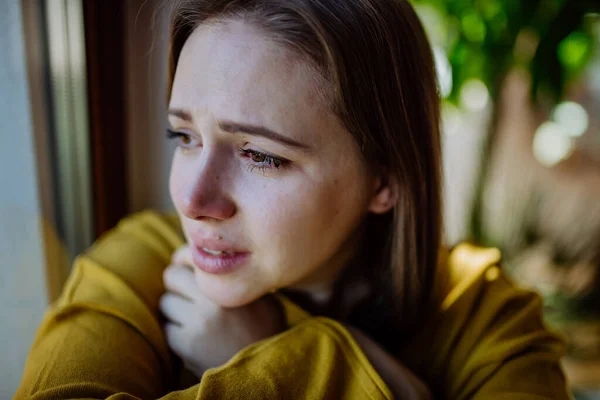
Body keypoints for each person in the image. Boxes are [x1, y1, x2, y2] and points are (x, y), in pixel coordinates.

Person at [16, 0, 570, 398]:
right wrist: (342, 367)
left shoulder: (489, 320)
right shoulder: (139, 260)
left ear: (385, 180)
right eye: (184, 137)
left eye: (261, 155)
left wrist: (285, 355)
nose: (193, 200)